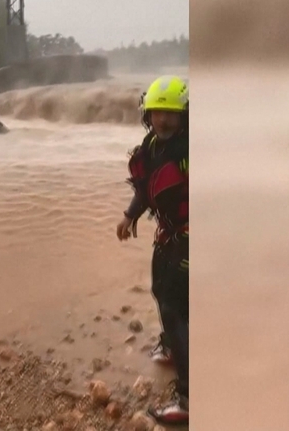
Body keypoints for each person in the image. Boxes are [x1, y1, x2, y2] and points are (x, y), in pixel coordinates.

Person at [117, 75, 190, 424]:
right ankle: (172, 347)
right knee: (162, 293)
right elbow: (147, 187)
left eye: (171, 114)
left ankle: (189, 398)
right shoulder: (150, 146)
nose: (163, 120)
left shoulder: (191, 151)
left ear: (185, 115)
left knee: (179, 308)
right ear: (148, 114)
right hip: (168, 236)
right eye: (157, 113)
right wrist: (130, 215)